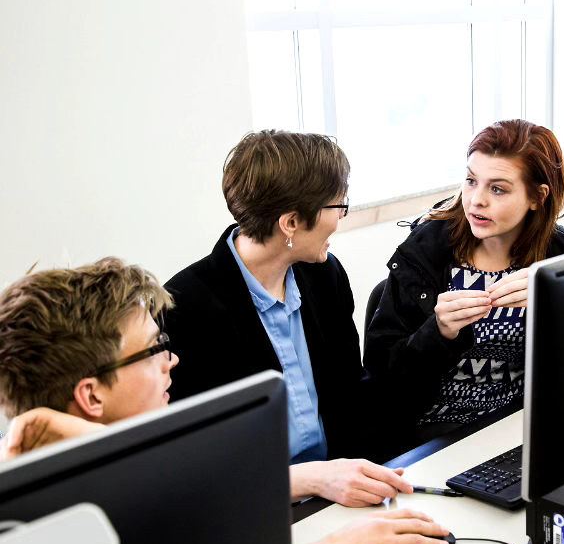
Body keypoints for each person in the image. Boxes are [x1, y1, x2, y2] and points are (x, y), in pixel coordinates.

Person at [0, 259, 451, 544]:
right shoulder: (51, 534)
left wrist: (316, 476)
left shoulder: (86, 471)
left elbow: (178, 485)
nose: (170, 360)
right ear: (92, 396)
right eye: (153, 349)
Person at [164, 130, 404, 498]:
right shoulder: (184, 308)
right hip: (257, 504)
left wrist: (381, 481)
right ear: (290, 223)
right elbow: (198, 463)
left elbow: (352, 395)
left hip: (340, 493)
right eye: (337, 206)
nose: (341, 217)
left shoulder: (325, 275)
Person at [363, 119, 564, 444]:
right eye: (470, 180)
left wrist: (554, 301)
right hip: (434, 436)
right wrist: (438, 333)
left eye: (498, 188)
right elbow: (381, 378)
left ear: (538, 197)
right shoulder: (424, 255)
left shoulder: (558, 255)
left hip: (520, 426)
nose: (476, 200)